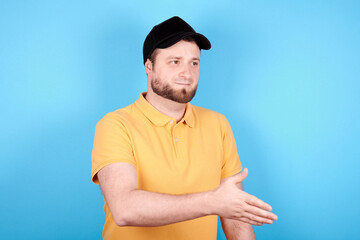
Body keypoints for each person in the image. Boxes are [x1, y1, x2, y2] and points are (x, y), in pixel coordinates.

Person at [91, 16, 278, 240]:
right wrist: (211, 202)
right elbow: (124, 208)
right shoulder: (115, 125)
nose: (187, 73)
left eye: (194, 63)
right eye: (175, 61)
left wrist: (226, 207)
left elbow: (233, 213)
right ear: (149, 66)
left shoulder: (218, 124)